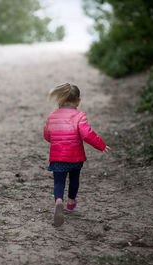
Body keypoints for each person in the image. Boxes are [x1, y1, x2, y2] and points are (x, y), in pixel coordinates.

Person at [44, 83, 111, 227]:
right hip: (75, 156)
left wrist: (55, 140)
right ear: (78, 101)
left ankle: (58, 201)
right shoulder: (80, 116)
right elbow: (87, 134)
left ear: (60, 100)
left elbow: (47, 135)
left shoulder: (52, 116)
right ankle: (71, 201)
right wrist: (101, 145)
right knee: (74, 179)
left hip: (57, 157)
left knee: (58, 182)